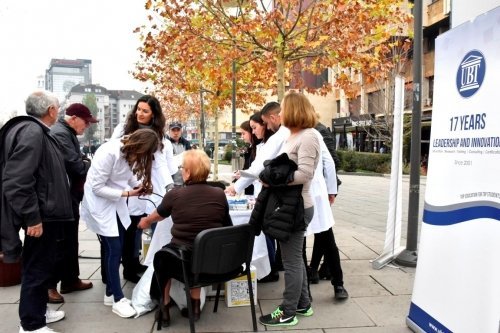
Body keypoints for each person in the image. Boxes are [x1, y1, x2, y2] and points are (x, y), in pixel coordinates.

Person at [0, 91, 73, 333]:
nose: (59, 112)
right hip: (42, 216)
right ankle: (31, 324)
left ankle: (38, 311)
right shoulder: (32, 131)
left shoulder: (35, 131)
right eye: (58, 108)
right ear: (51, 110)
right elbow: (17, 180)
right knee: (37, 268)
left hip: (45, 213)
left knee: (42, 265)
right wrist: (33, 217)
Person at [138, 149, 232, 327]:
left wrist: (144, 222)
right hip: (214, 262)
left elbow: (156, 216)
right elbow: (228, 226)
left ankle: (164, 307)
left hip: (184, 263)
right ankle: (194, 308)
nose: (181, 170)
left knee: (162, 258)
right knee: (198, 250)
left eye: (182, 167)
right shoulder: (219, 194)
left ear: (188, 172)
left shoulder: (175, 195)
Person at [80, 129, 160, 318]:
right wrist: (127, 194)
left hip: (115, 202)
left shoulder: (129, 154)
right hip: (100, 203)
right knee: (114, 248)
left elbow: (127, 174)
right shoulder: (110, 152)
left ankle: (110, 294)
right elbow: (97, 187)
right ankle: (118, 298)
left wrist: (137, 186)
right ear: (138, 146)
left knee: (117, 247)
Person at [257, 92, 320, 327]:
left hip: (298, 207)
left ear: (293, 110)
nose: (280, 113)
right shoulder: (293, 136)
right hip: (290, 206)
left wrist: (274, 179)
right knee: (295, 259)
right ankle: (302, 304)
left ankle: (287, 312)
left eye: (283, 109)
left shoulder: (309, 136)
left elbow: (305, 174)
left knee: (291, 261)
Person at [111, 95, 175, 283]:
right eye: (138, 109)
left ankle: (157, 267)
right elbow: (114, 154)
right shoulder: (123, 130)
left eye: (145, 111)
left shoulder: (161, 137)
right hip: (130, 186)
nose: (139, 113)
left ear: (154, 114)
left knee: (159, 226)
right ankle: (129, 268)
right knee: (132, 230)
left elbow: (163, 165)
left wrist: (170, 187)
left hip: (154, 188)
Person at [46, 103, 96, 304]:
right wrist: (86, 163)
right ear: (74, 118)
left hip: (69, 196)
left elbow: (80, 160)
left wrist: (83, 161)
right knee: (60, 242)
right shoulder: (61, 133)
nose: (87, 126)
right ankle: (50, 285)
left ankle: (70, 279)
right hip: (61, 197)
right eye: (86, 122)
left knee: (70, 240)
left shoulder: (67, 133)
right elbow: (76, 165)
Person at [166, 121, 192, 186]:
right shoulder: (164, 144)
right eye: (173, 130)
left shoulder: (186, 143)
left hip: (185, 180)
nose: (176, 133)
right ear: (169, 131)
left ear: (181, 131)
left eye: (178, 130)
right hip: (170, 180)